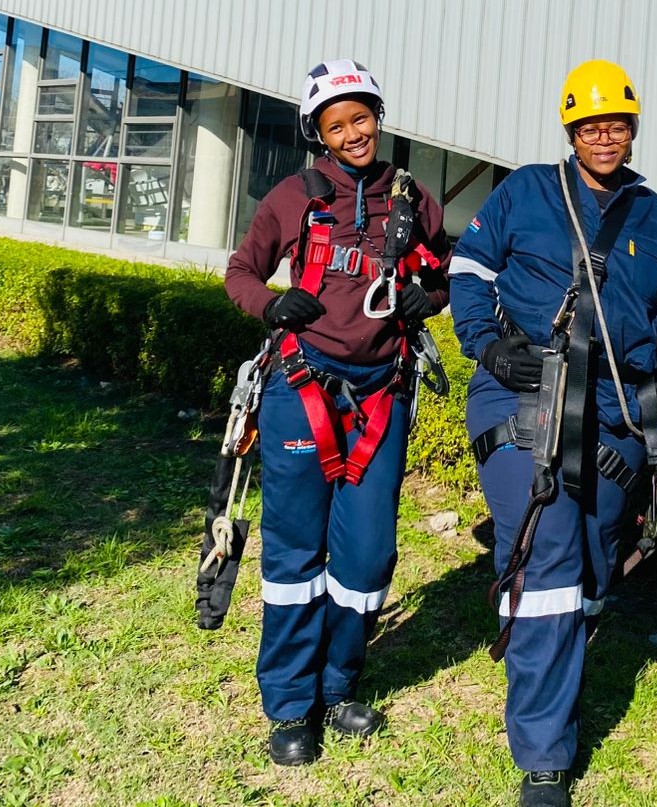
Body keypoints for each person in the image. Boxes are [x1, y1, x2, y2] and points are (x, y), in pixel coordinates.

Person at [450, 60, 657, 807]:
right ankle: (543, 756)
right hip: (527, 390)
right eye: (591, 123)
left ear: (633, 129)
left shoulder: (652, 214)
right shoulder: (527, 190)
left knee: (596, 566)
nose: (605, 134)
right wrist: (486, 343)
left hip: (620, 411)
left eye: (617, 122)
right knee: (550, 557)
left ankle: (544, 645)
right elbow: (467, 266)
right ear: (570, 129)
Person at [224, 59, 451, 766]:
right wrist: (271, 303)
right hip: (304, 389)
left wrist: (428, 299)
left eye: (362, 118)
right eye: (337, 124)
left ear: (377, 118)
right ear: (318, 133)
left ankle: (339, 681)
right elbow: (240, 271)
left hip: (382, 393)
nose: (354, 133)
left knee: (367, 553)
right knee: (295, 554)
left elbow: (442, 273)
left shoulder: (414, 200)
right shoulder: (292, 198)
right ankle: (291, 703)